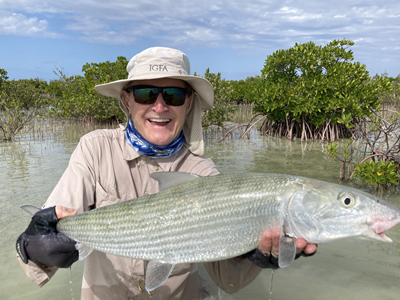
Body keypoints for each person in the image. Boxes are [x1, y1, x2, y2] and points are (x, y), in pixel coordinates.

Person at [16, 47, 317, 299]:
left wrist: (255, 256)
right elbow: (53, 227)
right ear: (127, 101)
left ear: (189, 104)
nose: (159, 107)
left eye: (173, 95)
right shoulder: (94, 149)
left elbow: (227, 278)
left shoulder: (202, 172)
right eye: (146, 94)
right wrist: (31, 244)